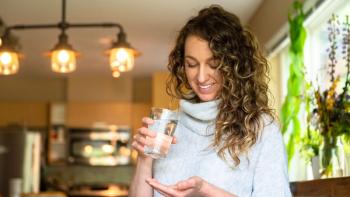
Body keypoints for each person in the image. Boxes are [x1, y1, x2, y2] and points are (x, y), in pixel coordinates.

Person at [129, 5, 292, 197]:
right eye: (191, 64)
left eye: (214, 64)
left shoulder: (260, 129)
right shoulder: (167, 128)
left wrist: (205, 190)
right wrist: (144, 160)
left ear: (235, 65)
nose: (201, 77)